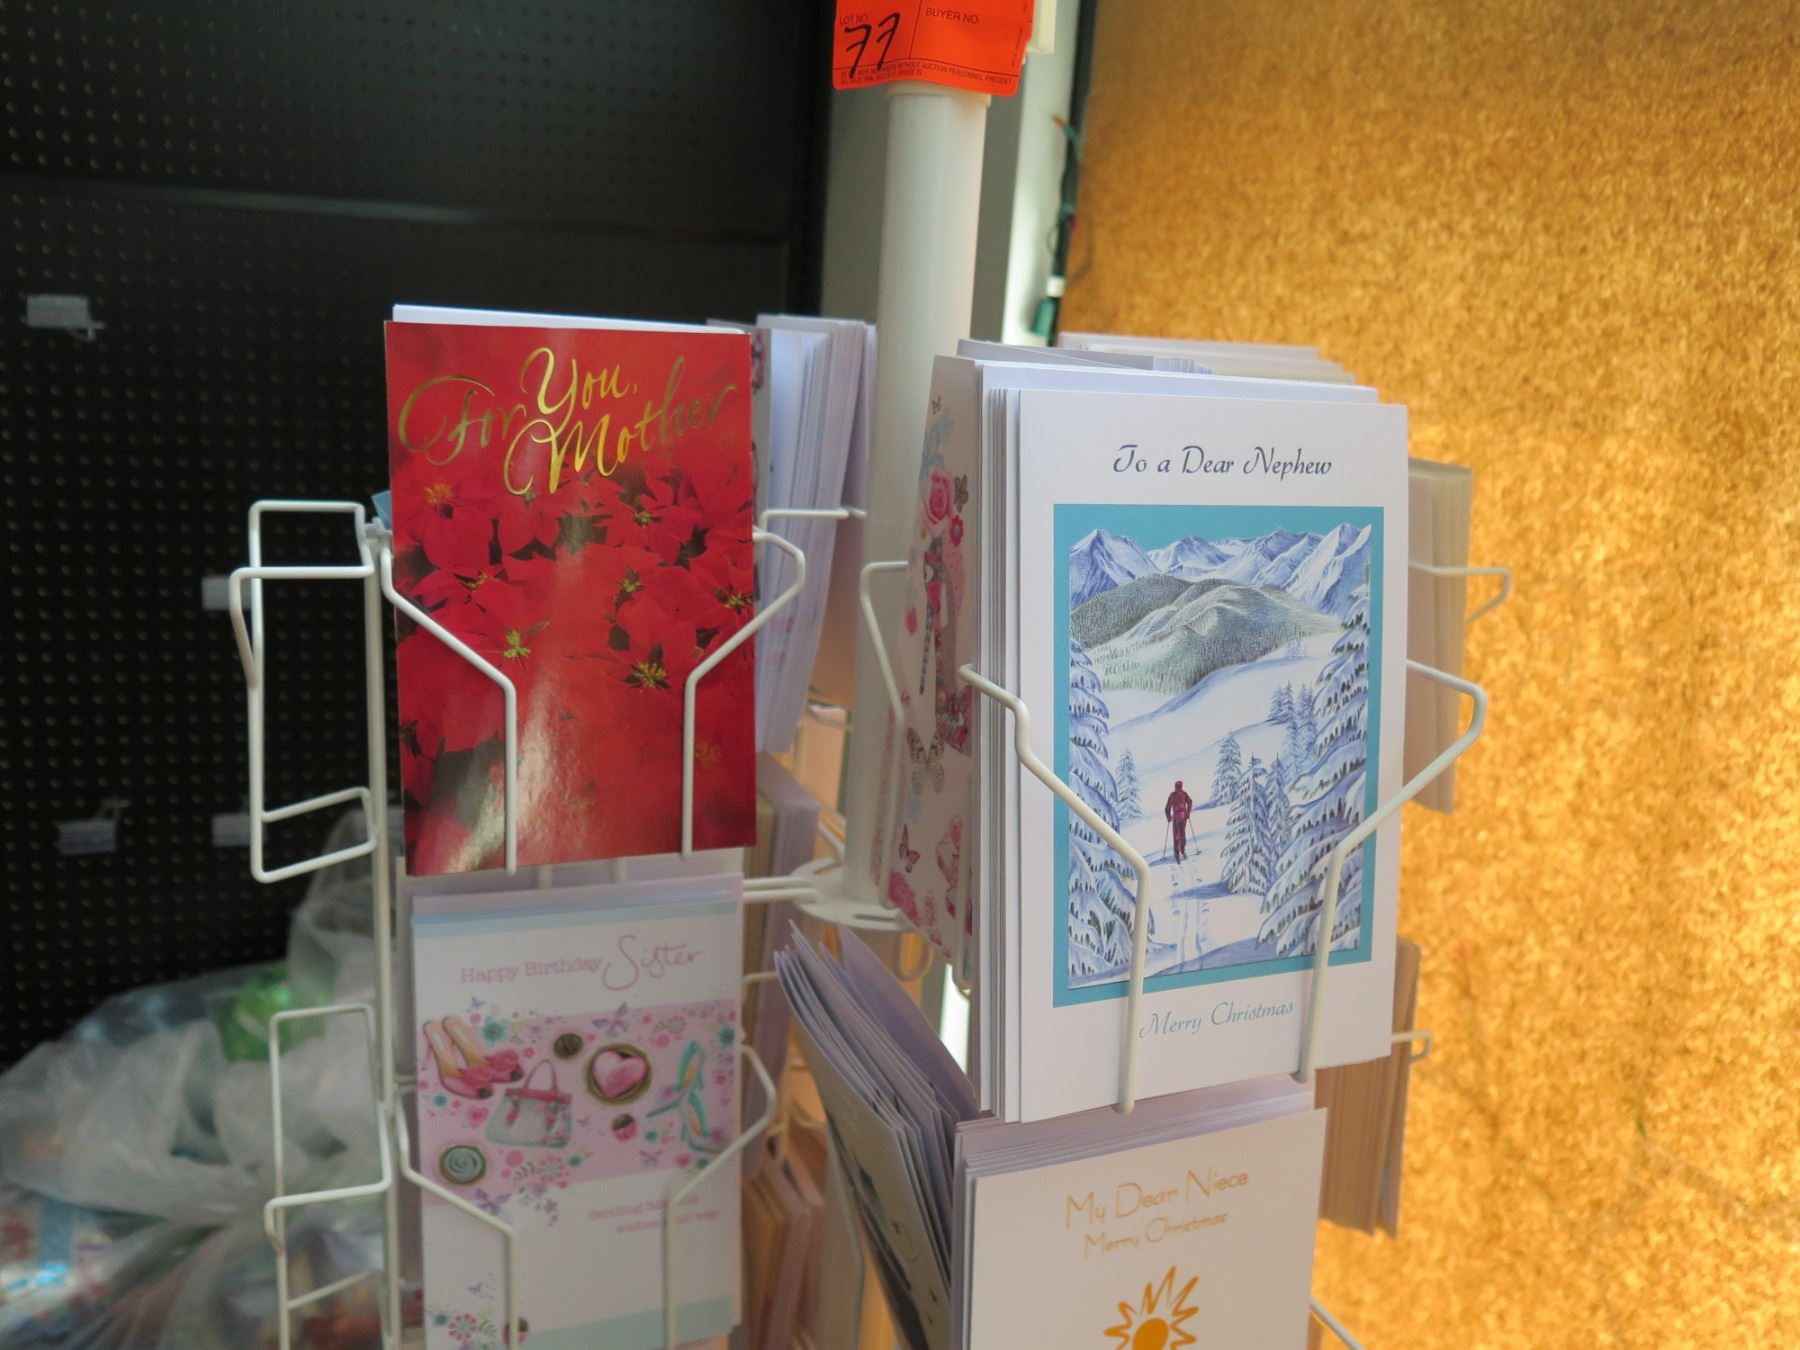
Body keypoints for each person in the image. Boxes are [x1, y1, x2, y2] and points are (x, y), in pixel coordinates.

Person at [1164, 779, 1194, 863]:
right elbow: (1167, 808)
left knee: (1179, 835)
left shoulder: (1180, 794)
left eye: (1179, 786)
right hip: (1179, 816)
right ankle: (1179, 852)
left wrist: (1188, 813)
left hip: (1180, 816)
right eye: (1178, 786)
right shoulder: (1175, 795)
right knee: (1179, 834)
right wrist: (1169, 816)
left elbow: (1190, 802)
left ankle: (1180, 852)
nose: (1178, 788)